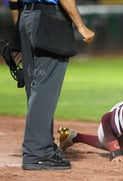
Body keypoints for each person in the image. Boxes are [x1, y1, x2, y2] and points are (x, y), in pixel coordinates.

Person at [8, 0, 95, 170]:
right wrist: (81, 26)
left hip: (26, 18)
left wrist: (20, 28)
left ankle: (44, 146)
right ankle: (37, 153)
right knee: (44, 90)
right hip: (49, 18)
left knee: (35, 88)